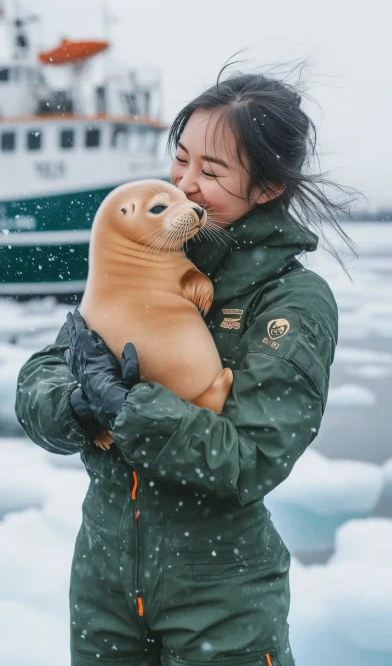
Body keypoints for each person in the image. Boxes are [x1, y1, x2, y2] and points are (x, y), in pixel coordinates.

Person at [15, 63, 356, 666]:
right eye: (180, 158)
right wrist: (74, 403)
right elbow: (43, 375)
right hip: (104, 584)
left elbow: (250, 459)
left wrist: (128, 408)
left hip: (220, 596)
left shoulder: (290, 301)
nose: (185, 182)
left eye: (213, 170)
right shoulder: (141, 252)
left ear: (269, 188)